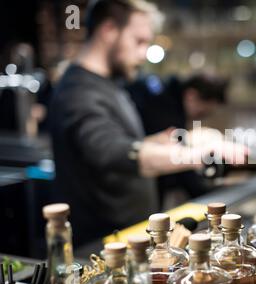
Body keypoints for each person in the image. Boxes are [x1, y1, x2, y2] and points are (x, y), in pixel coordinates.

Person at [49, 0, 244, 246]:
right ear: (109, 30)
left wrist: (186, 139)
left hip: (130, 236)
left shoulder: (108, 85)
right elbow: (113, 152)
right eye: (139, 41)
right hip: (100, 247)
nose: (143, 54)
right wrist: (200, 155)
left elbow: (129, 143)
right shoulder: (78, 91)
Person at [125, 73, 228, 207]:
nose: (200, 117)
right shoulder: (165, 110)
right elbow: (178, 159)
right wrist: (205, 192)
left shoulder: (167, 99)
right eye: (201, 112)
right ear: (191, 95)